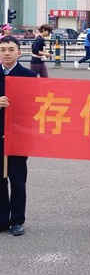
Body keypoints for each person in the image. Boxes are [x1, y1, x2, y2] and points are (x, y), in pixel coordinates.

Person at [0, 36, 37, 236]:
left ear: (19, 53)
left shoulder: (28, 76)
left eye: (11, 49)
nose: (7, 53)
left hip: (19, 136)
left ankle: (17, 220)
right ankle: (2, 218)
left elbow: (37, 106)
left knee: (17, 179)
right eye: (3, 49)